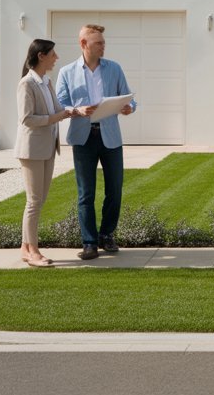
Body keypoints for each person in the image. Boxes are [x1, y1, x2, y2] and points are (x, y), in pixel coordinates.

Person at [55, 24, 136, 260]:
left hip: (110, 136)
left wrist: (129, 107)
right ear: (84, 44)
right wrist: (77, 110)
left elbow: (130, 98)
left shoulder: (114, 68)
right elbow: (60, 105)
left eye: (103, 42)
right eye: (98, 42)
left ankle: (107, 235)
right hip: (83, 138)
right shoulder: (67, 72)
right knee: (85, 194)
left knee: (115, 190)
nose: (103, 46)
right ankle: (89, 243)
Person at [14, 39, 93, 267]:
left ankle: (25, 246)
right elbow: (27, 119)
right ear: (41, 56)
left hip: (48, 147)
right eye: (53, 54)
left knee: (39, 200)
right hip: (31, 149)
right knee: (34, 201)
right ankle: (34, 252)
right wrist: (59, 117)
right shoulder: (27, 84)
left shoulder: (46, 82)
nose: (56, 58)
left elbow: (58, 110)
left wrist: (76, 111)